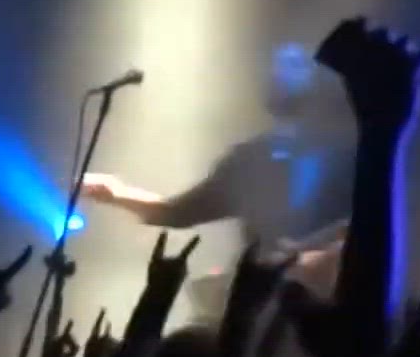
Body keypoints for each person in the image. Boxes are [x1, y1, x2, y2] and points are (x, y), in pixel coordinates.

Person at [81, 43, 354, 257]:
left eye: (296, 64)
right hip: (267, 298)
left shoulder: (349, 154)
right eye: (276, 65)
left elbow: (364, 222)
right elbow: (177, 212)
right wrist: (116, 194)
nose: (278, 72)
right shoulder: (249, 160)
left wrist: (303, 251)